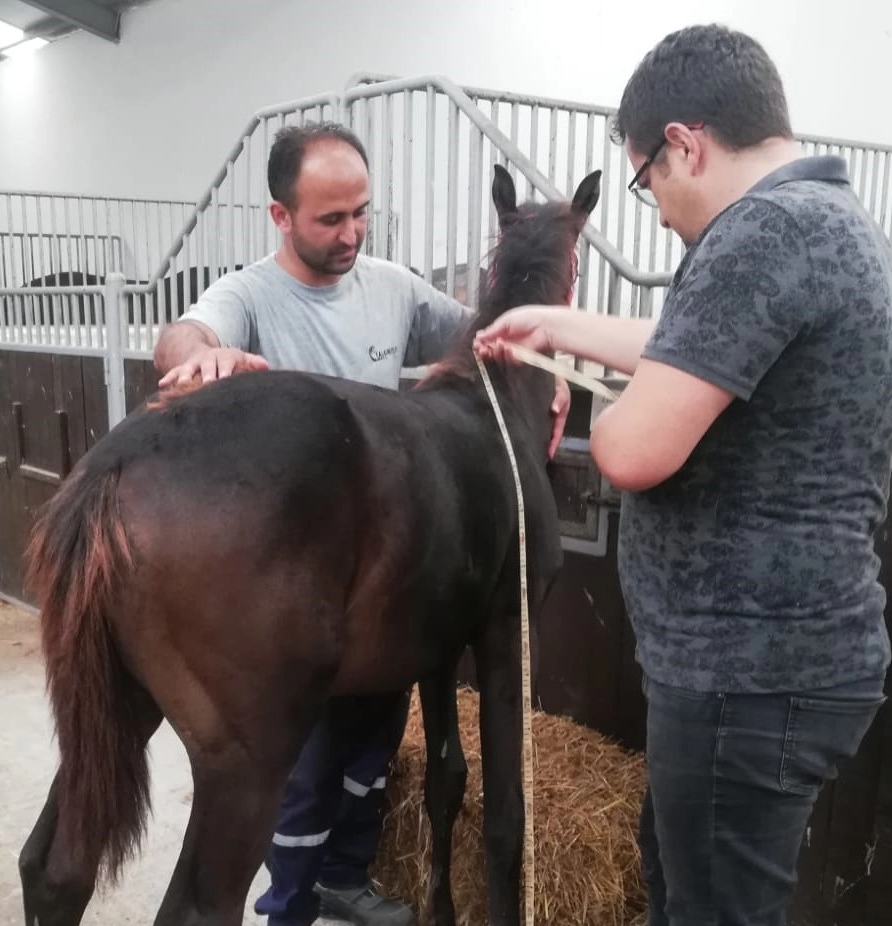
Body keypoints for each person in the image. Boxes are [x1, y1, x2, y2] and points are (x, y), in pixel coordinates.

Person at [473, 24, 892, 926]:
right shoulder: (822, 222)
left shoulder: (761, 237)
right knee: (684, 892)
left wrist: (590, 401)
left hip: (748, 670)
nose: (658, 207)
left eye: (645, 181)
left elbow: (634, 450)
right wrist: (556, 326)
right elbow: (697, 348)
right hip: (766, 663)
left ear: (685, 143)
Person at [155, 121, 569, 926]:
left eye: (361, 214)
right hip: (304, 572)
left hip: (396, 556)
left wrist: (548, 365)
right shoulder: (250, 293)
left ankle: (346, 878)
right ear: (281, 217)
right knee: (302, 763)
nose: (351, 235)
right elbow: (189, 331)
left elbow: (490, 338)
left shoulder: (392, 284)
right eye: (330, 220)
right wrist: (195, 354)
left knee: (371, 746)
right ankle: (290, 906)